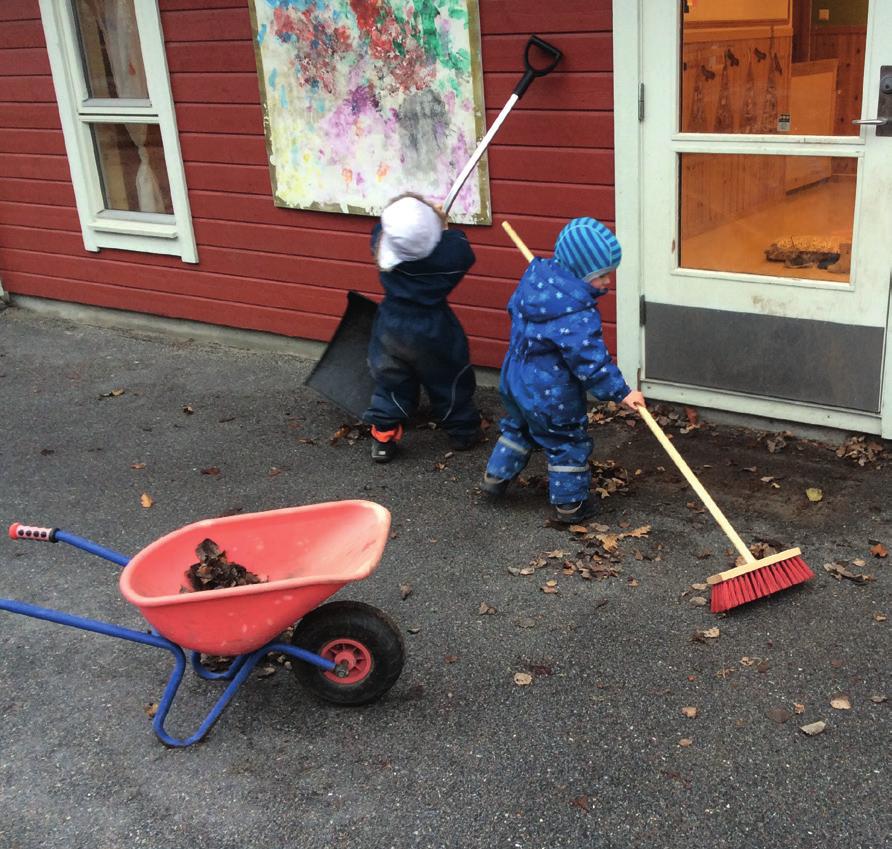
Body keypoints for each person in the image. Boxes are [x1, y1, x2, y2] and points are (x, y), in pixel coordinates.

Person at [480, 217, 645, 522]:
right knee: (566, 439)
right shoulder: (575, 313)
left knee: (520, 426)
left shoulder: (535, 281)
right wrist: (621, 392)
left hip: (515, 377)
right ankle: (570, 504)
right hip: (550, 390)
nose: (607, 282)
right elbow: (590, 362)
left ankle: (496, 476)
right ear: (580, 272)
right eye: (601, 276)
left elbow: (513, 311)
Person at [364, 194, 483, 462]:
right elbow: (460, 246)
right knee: (449, 378)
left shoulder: (381, 243)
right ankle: (463, 431)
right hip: (434, 329)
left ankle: (383, 436)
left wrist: (427, 222)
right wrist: (441, 224)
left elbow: (382, 229)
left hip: (390, 327)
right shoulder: (451, 259)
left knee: (391, 382)